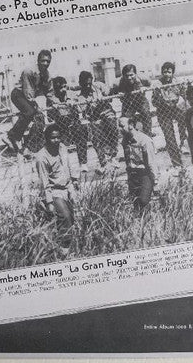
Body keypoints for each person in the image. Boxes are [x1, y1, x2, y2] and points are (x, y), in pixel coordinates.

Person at [35, 124, 80, 256]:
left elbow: (69, 164)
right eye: (53, 138)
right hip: (55, 190)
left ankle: (71, 245)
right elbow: (44, 181)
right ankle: (63, 249)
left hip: (68, 186)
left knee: (73, 216)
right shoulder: (42, 157)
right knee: (65, 216)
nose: (56, 140)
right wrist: (49, 202)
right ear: (46, 139)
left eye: (58, 137)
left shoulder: (62, 148)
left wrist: (74, 180)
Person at [3, 49, 53, 151]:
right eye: (43, 60)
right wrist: (35, 105)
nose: (45, 63)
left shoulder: (47, 75)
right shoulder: (29, 71)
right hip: (18, 94)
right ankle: (11, 136)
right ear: (38, 61)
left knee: (39, 119)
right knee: (30, 112)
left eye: (48, 61)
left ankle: (27, 146)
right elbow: (28, 91)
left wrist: (55, 102)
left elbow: (50, 92)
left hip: (29, 97)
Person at [76, 71, 118, 170]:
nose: (88, 86)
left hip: (107, 112)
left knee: (112, 126)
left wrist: (104, 97)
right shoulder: (80, 96)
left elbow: (110, 94)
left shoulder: (98, 86)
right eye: (85, 84)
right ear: (80, 84)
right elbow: (83, 111)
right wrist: (90, 105)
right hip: (94, 118)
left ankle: (113, 156)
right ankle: (103, 161)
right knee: (96, 136)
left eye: (89, 83)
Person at [47, 76, 88, 171]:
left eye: (64, 86)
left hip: (74, 121)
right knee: (60, 144)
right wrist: (53, 109)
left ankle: (83, 163)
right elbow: (49, 118)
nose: (63, 89)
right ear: (55, 89)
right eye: (60, 88)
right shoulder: (51, 97)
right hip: (61, 124)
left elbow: (81, 109)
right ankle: (63, 165)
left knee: (81, 136)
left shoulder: (71, 94)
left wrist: (73, 103)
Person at [151, 62, 187, 167]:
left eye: (169, 72)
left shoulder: (177, 81)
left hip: (175, 108)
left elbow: (185, 95)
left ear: (172, 73)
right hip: (163, 111)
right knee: (170, 137)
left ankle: (183, 141)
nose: (167, 74)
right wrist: (157, 95)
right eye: (164, 72)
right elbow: (154, 103)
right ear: (162, 73)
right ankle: (177, 165)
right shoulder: (157, 84)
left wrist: (185, 87)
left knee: (185, 116)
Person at [120, 116, 160, 212]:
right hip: (133, 174)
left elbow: (151, 162)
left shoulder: (144, 140)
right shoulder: (125, 141)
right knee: (135, 202)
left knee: (143, 200)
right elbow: (128, 161)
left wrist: (155, 182)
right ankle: (141, 219)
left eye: (122, 126)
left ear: (131, 125)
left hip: (145, 174)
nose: (119, 129)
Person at [112, 64, 153, 137]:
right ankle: (129, 137)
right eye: (126, 76)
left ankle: (148, 135)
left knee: (146, 114)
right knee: (125, 120)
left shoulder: (143, 78)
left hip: (140, 101)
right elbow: (112, 92)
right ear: (123, 75)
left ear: (135, 74)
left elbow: (151, 84)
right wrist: (118, 93)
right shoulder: (117, 83)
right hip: (128, 103)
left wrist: (144, 87)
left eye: (131, 75)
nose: (129, 78)